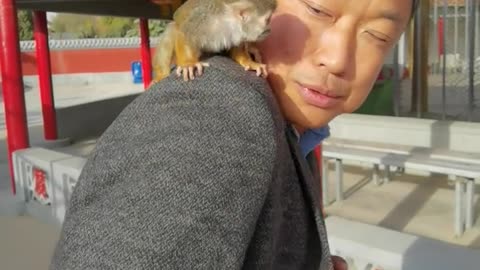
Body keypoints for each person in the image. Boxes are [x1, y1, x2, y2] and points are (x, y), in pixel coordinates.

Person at [50, 0, 416, 269]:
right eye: (317, 10)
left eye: (378, 35)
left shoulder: (281, 123)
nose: (338, 59)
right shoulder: (215, 115)